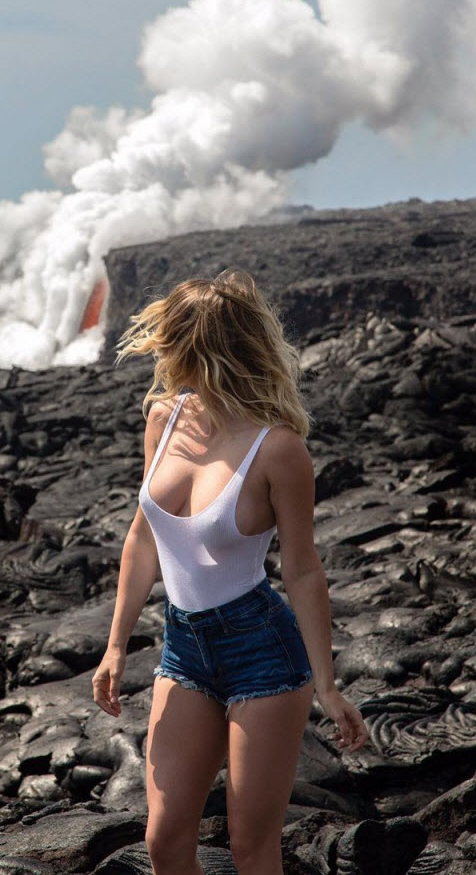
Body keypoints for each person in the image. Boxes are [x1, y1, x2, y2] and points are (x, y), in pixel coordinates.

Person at [92, 268, 369, 875]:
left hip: (263, 652)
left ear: (198, 347)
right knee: (164, 842)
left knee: (251, 849)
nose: (160, 352)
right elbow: (143, 538)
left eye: (170, 340)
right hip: (183, 648)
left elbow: (302, 571)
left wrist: (326, 684)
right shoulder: (163, 419)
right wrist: (115, 646)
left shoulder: (278, 448)